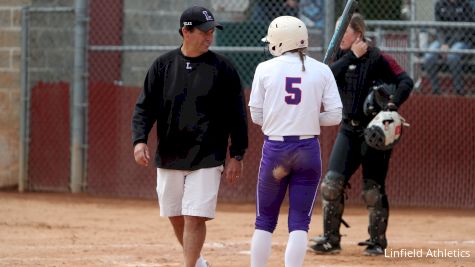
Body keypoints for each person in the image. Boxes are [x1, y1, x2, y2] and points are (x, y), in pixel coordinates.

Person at [131, 6, 248, 267]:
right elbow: (144, 107)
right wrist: (139, 140)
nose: (210, 37)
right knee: (175, 214)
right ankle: (198, 262)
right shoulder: (163, 66)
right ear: (186, 31)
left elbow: (237, 115)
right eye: (204, 32)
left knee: (195, 217)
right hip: (170, 153)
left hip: (208, 156)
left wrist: (237, 153)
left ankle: (189, 265)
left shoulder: (223, 69)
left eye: (212, 32)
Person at [308, 13, 414, 256]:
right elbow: (324, 78)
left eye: (343, 31)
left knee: (372, 189)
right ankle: (330, 239)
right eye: (337, 31)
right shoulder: (339, 57)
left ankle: (377, 241)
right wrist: (351, 58)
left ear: (358, 33)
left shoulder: (377, 58)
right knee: (331, 185)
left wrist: (392, 105)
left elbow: (405, 81)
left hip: (374, 131)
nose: (339, 36)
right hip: (348, 129)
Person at [249, 16, 342, 266]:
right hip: (307, 149)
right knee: (300, 222)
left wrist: (283, 118)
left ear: (279, 42)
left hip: (276, 149)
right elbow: (335, 115)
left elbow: (256, 115)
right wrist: (307, 117)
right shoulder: (322, 70)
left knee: (265, 221)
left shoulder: (264, 69)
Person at [421, 0, 474, 95]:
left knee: (452, 57)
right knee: (429, 56)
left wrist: (448, 45)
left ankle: (459, 90)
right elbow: (439, 28)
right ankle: (435, 89)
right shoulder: (439, 4)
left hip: (462, 40)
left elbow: (464, 30)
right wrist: (443, 44)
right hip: (443, 41)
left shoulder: (465, 4)